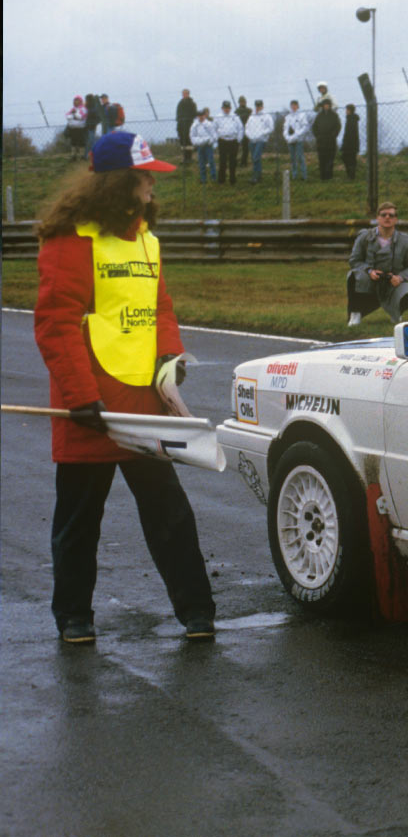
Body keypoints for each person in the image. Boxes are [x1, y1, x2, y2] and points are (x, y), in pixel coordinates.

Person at [32, 131, 217, 644]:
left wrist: (169, 359)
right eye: (144, 178)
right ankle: (74, 618)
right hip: (89, 406)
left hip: (141, 402)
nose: (153, 187)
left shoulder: (147, 239)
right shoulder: (72, 238)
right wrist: (79, 397)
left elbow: (160, 309)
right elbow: (55, 322)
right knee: (78, 521)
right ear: (119, 183)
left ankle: (198, 611)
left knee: (170, 513)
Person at [346, 202, 408, 325]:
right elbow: (354, 260)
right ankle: (356, 313)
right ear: (377, 218)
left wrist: (400, 277)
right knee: (353, 276)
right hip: (369, 281)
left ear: (396, 219)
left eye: (391, 215)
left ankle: (396, 312)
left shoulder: (406, 241)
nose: (387, 217)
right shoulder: (364, 237)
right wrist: (369, 271)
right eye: (383, 215)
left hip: (393, 283)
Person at [214, 100, 243, 185]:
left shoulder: (235, 117)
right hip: (222, 141)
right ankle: (221, 180)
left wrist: (238, 139)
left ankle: (232, 179)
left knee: (233, 161)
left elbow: (240, 128)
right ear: (222, 108)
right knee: (222, 161)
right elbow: (213, 129)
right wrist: (216, 139)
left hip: (233, 141)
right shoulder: (218, 117)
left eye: (228, 108)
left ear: (230, 108)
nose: (226, 109)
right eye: (225, 108)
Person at [244, 99, 273, 183]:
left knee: (256, 157)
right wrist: (249, 135)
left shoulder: (266, 116)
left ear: (262, 106)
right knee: (255, 158)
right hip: (252, 140)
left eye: (259, 106)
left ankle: (256, 176)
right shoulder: (251, 116)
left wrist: (262, 133)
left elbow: (271, 128)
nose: (258, 108)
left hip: (261, 140)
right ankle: (258, 176)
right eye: (257, 106)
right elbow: (247, 127)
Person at [312, 99, 341, 181]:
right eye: (325, 104)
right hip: (321, 141)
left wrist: (333, 135)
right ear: (322, 106)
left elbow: (338, 126)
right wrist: (317, 136)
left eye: (328, 104)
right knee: (322, 159)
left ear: (330, 105)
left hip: (331, 141)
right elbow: (314, 127)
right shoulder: (319, 116)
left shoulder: (334, 115)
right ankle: (323, 177)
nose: (326, 106)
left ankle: (329, 176)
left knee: (330, 159)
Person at [283, 99, 310, 180]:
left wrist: (297, 135)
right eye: (292, 105)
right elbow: (285, 128)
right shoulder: (288, 117)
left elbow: (305, 127)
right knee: (292, 158)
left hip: (299, 140)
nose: (293, 107)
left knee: (300, 157)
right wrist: (287, 137)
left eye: (295, 105)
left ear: (298, 106)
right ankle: (294, 175)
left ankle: (304, 175)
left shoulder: (302, 115)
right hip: (290, 140)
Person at [175, 89, 197, 164]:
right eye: (183, 94)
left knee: (189, 141)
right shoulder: (180, 103)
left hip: (188, 124)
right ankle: (184, 157)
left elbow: (194, 113)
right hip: (181, 125)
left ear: (188, 94)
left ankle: (189, 158)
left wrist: (188, 119)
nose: (184, 95)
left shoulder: (192, 103)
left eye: (185, 93)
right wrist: (179, 120)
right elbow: (178, 114)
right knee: (182, 141)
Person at [342, 103, 361, 179]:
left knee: (349, 159)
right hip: (352, 143)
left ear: (350, 110)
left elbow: (349, 133)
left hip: (350, 144)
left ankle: (351, 175)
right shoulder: (350, 119)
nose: (346, 111)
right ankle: (350, 175)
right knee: (349, 159)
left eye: (347, 110)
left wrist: (345, 143)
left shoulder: (351, 119)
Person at [235, 96, 252, 171]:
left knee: (246, 148)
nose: (242, 103)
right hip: (238, 131)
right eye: (241, 102)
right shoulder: (237, 111)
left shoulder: (249, 110)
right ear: (239, 103)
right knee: (236, 148)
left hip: (247, 130)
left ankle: (244, 162)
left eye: (243, 102)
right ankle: (235, 162)